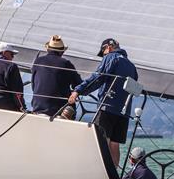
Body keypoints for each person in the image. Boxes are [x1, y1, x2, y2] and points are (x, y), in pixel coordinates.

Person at [68, 38, 138, 168]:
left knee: (101, 140)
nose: (103, 55)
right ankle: (113, 176)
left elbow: (98, 77)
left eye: (103, 52)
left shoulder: (111, 57)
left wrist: (78, 91)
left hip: (108, 107)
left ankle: (99, 171)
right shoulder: (131, 65)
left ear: (108, 47)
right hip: (124, 111)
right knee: (114, 143)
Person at [31, 35, 81, 117]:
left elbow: (34, 85)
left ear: (47, 49)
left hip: (38, 108)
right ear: (62, 52)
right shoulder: (66, 64)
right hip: (58, 109)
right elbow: (78, 84)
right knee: (71, 107)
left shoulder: (38, 61)